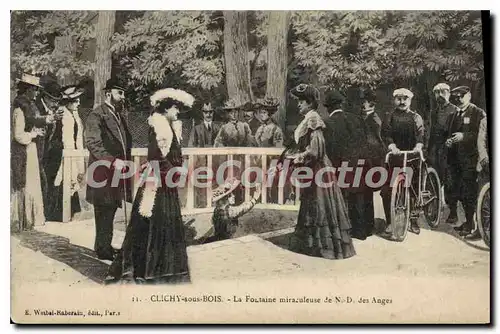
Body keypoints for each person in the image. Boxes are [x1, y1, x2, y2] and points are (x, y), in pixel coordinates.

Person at [105, 88, 195, 284]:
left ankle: (164, 270)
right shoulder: (159, 127)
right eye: (175, 108)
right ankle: (147, 271)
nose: (178, 112)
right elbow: (156, 157)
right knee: (151, 226)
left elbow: (170, 155)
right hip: (157, 182)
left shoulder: (169, 126)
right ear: (167, 108)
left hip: (165, 183)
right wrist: (174, 170)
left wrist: (177, 167)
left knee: (164, 226)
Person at [270, 83, 356, 259]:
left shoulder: (313, 119)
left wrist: (299, 157)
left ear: (309, 103)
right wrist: (292, 154)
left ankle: (324, 247)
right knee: (313, 205)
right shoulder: (307, 119)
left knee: (320, 206)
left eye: (301, 102)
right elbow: (303, 145)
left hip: (318, 170)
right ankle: (312, 245)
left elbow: (316, 150)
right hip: (313, 169)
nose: (298, 105)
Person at [85, 78, 132, 261]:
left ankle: (105, 245)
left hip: (116, 172)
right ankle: (102, 248)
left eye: (123, 93)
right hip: (102, 171)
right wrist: (112, 161)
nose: (122, 96)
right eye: (119, 92)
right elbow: (93, 143)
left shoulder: (117, 114)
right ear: (108, 93)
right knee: (103, 209)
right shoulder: (97, 115)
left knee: (111, 207)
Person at [322, 89, 373, 240]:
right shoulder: (356, 119)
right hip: (361, 162)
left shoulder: (328, 123)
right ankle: (364, 230)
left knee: (344, 195)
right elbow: (366, 140)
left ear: (328, 107)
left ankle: (345, 230)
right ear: (341, 105)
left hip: (341, 164)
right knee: (360, 194)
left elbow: (330, 149)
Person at [381, 88, 425, 235]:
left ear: (410, 100)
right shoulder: (389, 117)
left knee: (414, 188)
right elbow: (386, 133)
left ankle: (413, 220)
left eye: (405, 98)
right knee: (387, 190)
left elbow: (420, 133)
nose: (402, 101)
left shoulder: (416, 117)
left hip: (412, 156)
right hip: (395, 157)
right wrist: (391, 145)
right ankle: (389, 221)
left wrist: (418, 145)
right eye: (399, 99)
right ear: (394, 100)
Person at [445, 86, 486, 239]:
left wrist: (464, 136)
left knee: (470, 193)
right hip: (455, 160)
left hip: (470, 160)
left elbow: (481, 135)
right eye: (456, 97)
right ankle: (468, 222)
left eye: (462, 96)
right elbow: (449, 134)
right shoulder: (454, 114)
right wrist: (449, 141)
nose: (459, 99)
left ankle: (472, 225)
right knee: (460, 192)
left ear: (469, 95)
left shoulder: (478, 112)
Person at [11, 73, 47, 232]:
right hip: (23, 149)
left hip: (30, 149)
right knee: (24, 183)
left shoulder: (30, 106)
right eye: (35, 89)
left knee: (32, 183)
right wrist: (34, 134)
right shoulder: (19, 109)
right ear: (27, 90)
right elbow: (18, 135)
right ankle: (23, 219)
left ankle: (31, 219)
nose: (37, 93)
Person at [46, 85, 86, 222]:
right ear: (67, 102)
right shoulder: (61, 114)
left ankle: (67, 212)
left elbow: (77, 137)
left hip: (69, 152)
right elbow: (58, 137)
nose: (78, 103)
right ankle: (55, 214)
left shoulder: (75, 115)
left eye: (78, 100)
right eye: (75, 101)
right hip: (58, 154)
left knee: (69, 180)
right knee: (59, 181)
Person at [202, 178, 262, 243]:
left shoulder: (217, 209)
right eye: (230, 195)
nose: (233, 196)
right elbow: (243, 209)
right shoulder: (228, 211)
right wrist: (254, 199)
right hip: (227, 242)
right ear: (224, 198)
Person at [427, 83, 458, 210]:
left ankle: (453, 210)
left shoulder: (455, 110)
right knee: (434, 177)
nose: (440, 95)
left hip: (451, 149)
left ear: (449, 93)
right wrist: (429, 150)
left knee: (450, 179)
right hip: (436, 148)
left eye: (443, 92)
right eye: (437, 92)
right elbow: (431, 132)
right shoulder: (433, 112)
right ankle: (435, 205)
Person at [35, 76, 63, 208]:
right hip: (36, 151)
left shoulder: (55, 110)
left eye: (58, 101)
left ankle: (47, 210)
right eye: (54, 100)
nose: (56, 104)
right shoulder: (35, 107)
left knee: (49, 181)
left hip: (50, 152)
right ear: (46, 98)